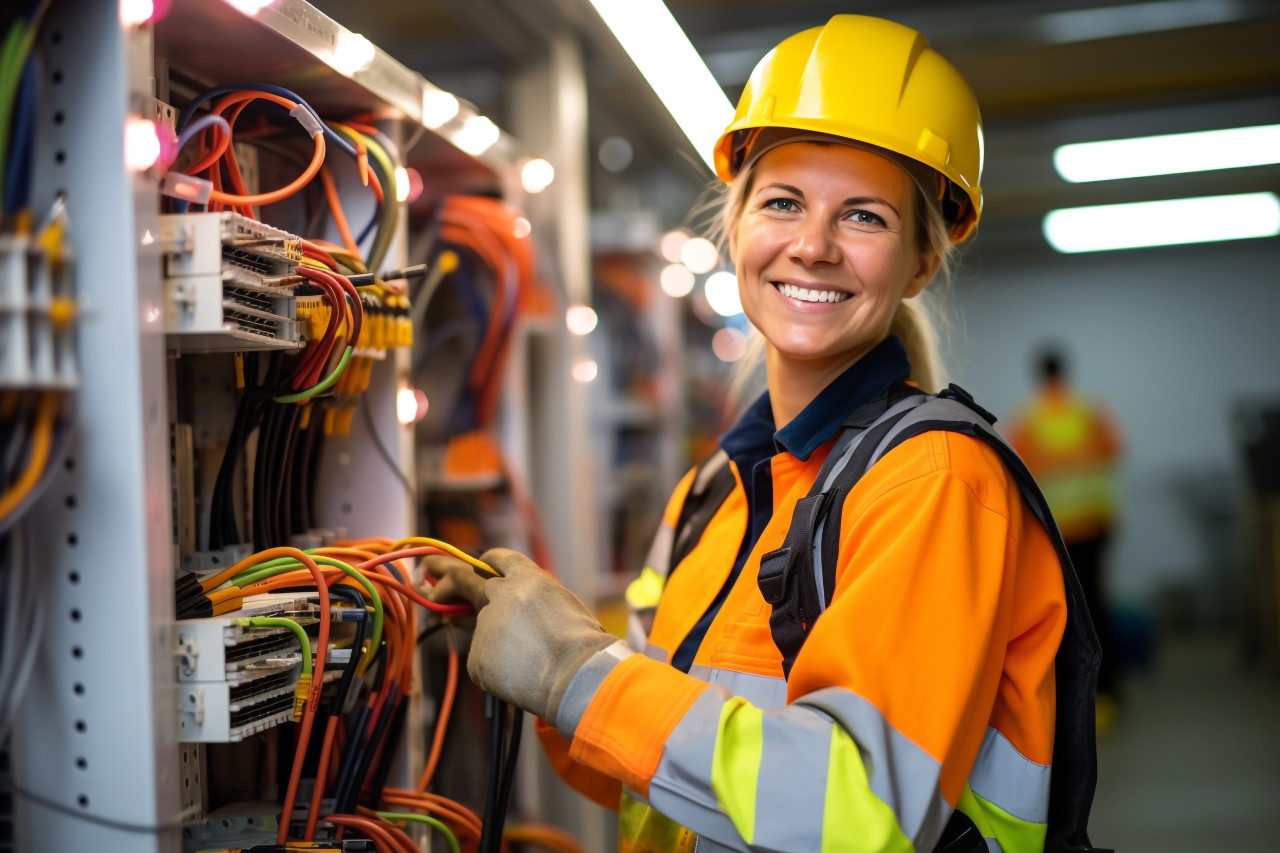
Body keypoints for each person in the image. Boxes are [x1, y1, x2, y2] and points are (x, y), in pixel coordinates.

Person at [425, 15, 1103, 853]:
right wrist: (532, 660)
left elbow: (859, 816)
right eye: (783, 202)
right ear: (737, 225)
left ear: (921, 261)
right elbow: (638, 770)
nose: (812, 246)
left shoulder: (934, 481)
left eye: (863, 217)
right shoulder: (713, 491)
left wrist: (577, 674)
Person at [1008, 345, 1124, 722]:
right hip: (1095, 522)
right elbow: (1114, 452)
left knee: (1068, 615)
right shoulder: (1088, 411)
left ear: (1037, 375)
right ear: (1066, 371)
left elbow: (1017, 474)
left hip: (1057, 533)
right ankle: (1110, 692)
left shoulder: (1027, 419)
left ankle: (1077, 701)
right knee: (1099, 607)